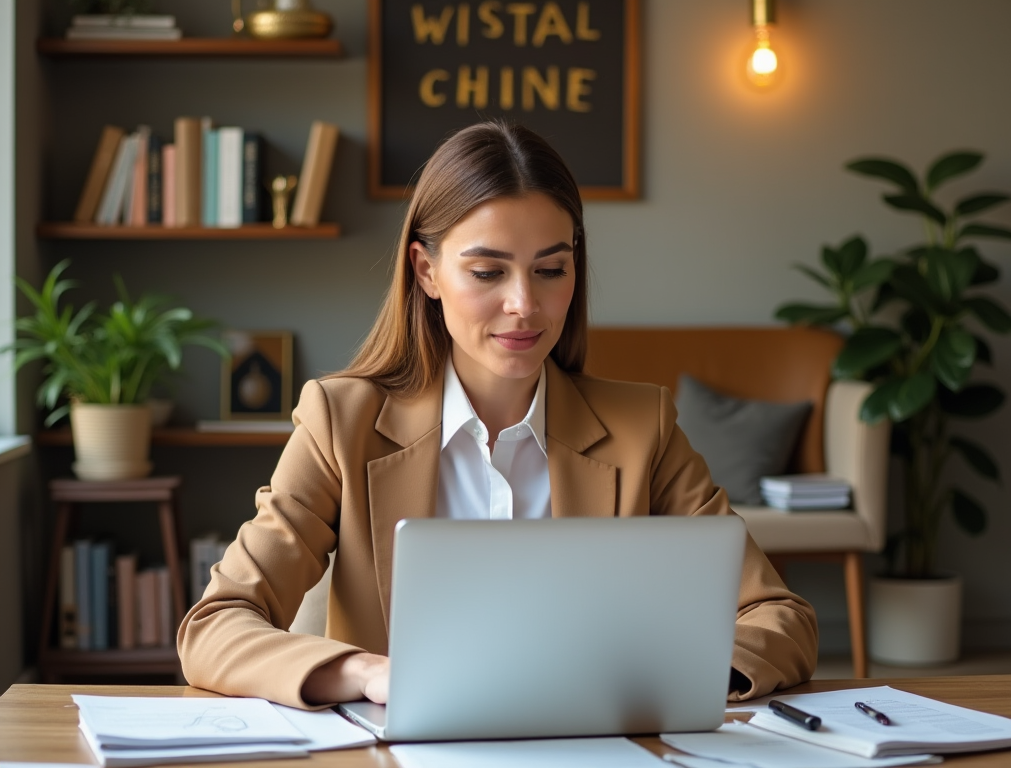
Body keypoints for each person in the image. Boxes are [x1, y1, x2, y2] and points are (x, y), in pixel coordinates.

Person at [177, 120, 818, 709]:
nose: (524, 305)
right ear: (426, 271)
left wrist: (682, 672)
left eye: (551, 270)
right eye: (487, 271)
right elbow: (214, 627)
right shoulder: (341, 423)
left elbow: (778, 617)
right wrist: (370, 673)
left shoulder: (640, 427)